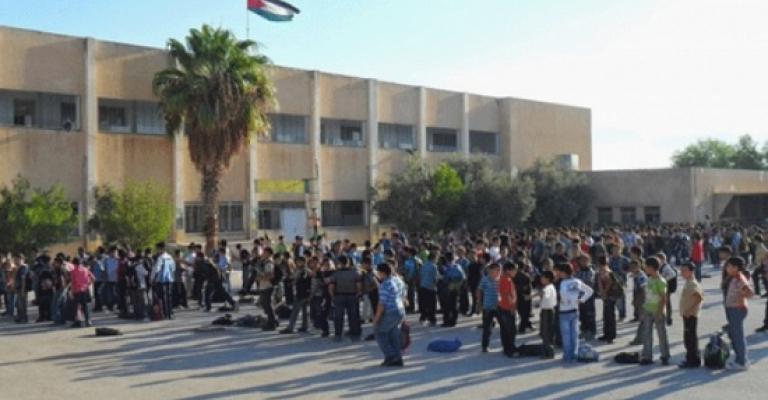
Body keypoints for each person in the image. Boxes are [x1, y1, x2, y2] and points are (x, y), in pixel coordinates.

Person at [556, 263, 594, 362]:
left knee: (566, 335)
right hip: (575, 310)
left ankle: (567, 356)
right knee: (574, 334)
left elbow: (564, 295)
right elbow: (590, 291)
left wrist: (563, 301)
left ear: (564, 272)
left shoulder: (563, 283)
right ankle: (574, 354)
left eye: (560, 272)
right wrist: (581, 300)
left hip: (564, 311)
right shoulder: (577, 281)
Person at [373, 262, 406, 367]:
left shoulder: (384, 285)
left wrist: (376, 319)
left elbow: (381, 304)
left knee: (380, 332)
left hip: (391, 311)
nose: (377, 274)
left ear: (383, 273)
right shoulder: (397, 280)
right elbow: (404, 294)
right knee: (394, 335)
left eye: (378, 272)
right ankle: (398, 358)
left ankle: (391, 356)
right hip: (400, 310)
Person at [639, 256, 671, 366]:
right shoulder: (649, 279)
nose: (645, 269)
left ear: (651, 267)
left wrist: (659, 312)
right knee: (647, 333)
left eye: (646, 267)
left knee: (661, 334)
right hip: (648, 309)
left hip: (657, 310)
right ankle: (647, 356)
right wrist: (643, 310)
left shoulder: (661, 281)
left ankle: (665, 355)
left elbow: (663, 298)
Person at [724, 256, 754, 371]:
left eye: (729, 266)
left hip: (737, 310)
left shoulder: (739, 278)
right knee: (734, 335)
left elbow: (750, 293)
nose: (727, 268)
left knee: (738, 336)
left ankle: (742, 362)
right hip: (733, 309)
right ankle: (739, 358)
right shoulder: (734, 277)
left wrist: (741, 298)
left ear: (736, 267)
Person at [329, 255, 362, 341]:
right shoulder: (355, 273)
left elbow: (331, 287)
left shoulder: (336, 274)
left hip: (339, 296)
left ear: (340, 263)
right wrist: (358, 294)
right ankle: (355, 334)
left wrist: (332, 297)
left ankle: (338, 335)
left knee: (338, 316)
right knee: (353, 316)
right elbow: (359, 286)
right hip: (352, 296)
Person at [678, 262, 703, 368]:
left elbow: (699, 298)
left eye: (685, 270)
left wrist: (689, 310)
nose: (682, 273)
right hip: (687, 314)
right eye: (681, 270)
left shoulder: (693, 284)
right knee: (688, 337)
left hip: (691, 315)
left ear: (691, 271)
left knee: (690, 338)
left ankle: (693, 360)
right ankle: (691, 358)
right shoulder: (688, 282)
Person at [281, 256, 312, 334]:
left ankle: (290, 328)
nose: (297, 263)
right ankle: (304, 326)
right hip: (304, 293)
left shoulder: (304, 271)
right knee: (305, 311)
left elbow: (302, 280)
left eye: (299, 262)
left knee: (295, 311)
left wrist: (294, 281)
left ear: (303, 262)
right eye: (297, 262)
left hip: (301, 293)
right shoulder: (303, 270)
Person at [477, 263, 503, 353]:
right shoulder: (485, 279)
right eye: (496, 269)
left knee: (504, 327)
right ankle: (485, 346)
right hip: (488, 307)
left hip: (499, 307)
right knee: (487, 329)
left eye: (499, 270)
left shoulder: (502, 279)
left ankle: (505, 345)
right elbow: (479, 291)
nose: (498, 272)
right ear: (490, 270)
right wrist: (479, 304)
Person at [596, 255, 621, 344]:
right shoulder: (606, 270)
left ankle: (610, 335)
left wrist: (604, 292)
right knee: (607, 315)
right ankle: (607, 334)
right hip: (610, 296)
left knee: (609, 316)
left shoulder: (604, 271)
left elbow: (609, 282)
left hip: (609, 296)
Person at [498, 262, 518, 357]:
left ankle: (507, 348)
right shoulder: (505, 280)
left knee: (505, 329)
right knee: (510, 330)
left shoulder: (504, 279)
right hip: (507, 308)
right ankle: (510, 350)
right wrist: (512, 308)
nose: (516, 272)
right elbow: (506, 295)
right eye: (514, 270)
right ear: (508, 271)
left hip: (503, 307)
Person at [574, 254, 597, 341]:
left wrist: (580, 283)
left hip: (588, 296)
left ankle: (592, 331)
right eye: (582, 260)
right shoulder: (578, 271)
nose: (583, 262)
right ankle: (584, 330)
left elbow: (589, 283)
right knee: (582, 314)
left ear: (589, 261)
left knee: (590, 314)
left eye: (585, 260)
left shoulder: (591, 271)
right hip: (580, 296)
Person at [151, 242, 176, 320]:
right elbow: (173, 268)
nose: (157, 251)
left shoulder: (160, 258)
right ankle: (170, 313)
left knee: (163, 297)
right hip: (170, 279)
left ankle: (165, 314)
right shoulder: (170, 257)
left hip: (161, 280)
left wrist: (152, 278)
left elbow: (156, 269)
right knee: (169, 296)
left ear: (160, 248)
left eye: (157, 249)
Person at [68, 257, 95, 328]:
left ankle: (78, 322)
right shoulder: (86, 269)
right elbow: (93, 278)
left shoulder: (73, 271)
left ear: (74, 263)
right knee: (85, 306)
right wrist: (88, 284)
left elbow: (73, 282)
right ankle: (88, 321)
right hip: (85, 290)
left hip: (77, 291)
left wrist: (72, 292)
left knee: (76, 307)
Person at [256, 247, 279, 331]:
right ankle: (273, 320)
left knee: (267, 305)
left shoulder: (269, 263)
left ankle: (271, 323)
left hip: (267, 286)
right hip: (264, 286)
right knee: (265, 304)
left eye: (264, 252)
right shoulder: (264, 262)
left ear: (269, 253)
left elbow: (271, 275)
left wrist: (261, 278)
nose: (263, 254)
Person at [539, 270, 557, 359]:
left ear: (547, 279)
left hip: (547, 311)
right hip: (549, 310)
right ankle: (548, 351)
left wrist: (539, 294)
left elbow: (544, 293)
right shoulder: (551, 286)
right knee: (548, 331)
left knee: (546, 332)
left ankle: (548, 352)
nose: (541, 279)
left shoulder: (548, 287)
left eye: (542, 277)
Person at [418, 252, 439, 326]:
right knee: (432, 305)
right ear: (434, 258)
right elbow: (435, 278)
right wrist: (436, 285)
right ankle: (432, 320)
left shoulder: (424, 265)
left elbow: (420, 275)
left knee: (424, 304)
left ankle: (423, 318)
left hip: (423, 286)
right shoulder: (434, 266)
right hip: (431, 287)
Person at [13, 254, 30, 323]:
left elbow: (23, 279)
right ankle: (20, 317)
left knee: (22, 304)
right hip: (19, 288)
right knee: (19, 304)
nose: (15, 261)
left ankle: (23, 318)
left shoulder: (23, 267)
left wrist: (23, 289)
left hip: (22, 288)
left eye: (17, 259)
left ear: (21, 259)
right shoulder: (20, 267)